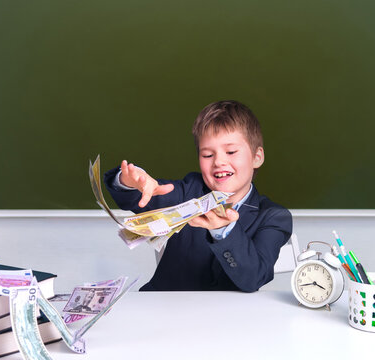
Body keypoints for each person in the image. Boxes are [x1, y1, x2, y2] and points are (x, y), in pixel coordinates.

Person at [104, 100, 293, 292]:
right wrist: (130, 182)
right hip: (165, 310)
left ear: (257, 157)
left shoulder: (274, 217)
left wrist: (224, 231)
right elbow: (148, 196)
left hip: (229, 318)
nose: (219, 161)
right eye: (207, 155)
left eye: (231, 151)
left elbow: (253, 278)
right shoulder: (190, 190)